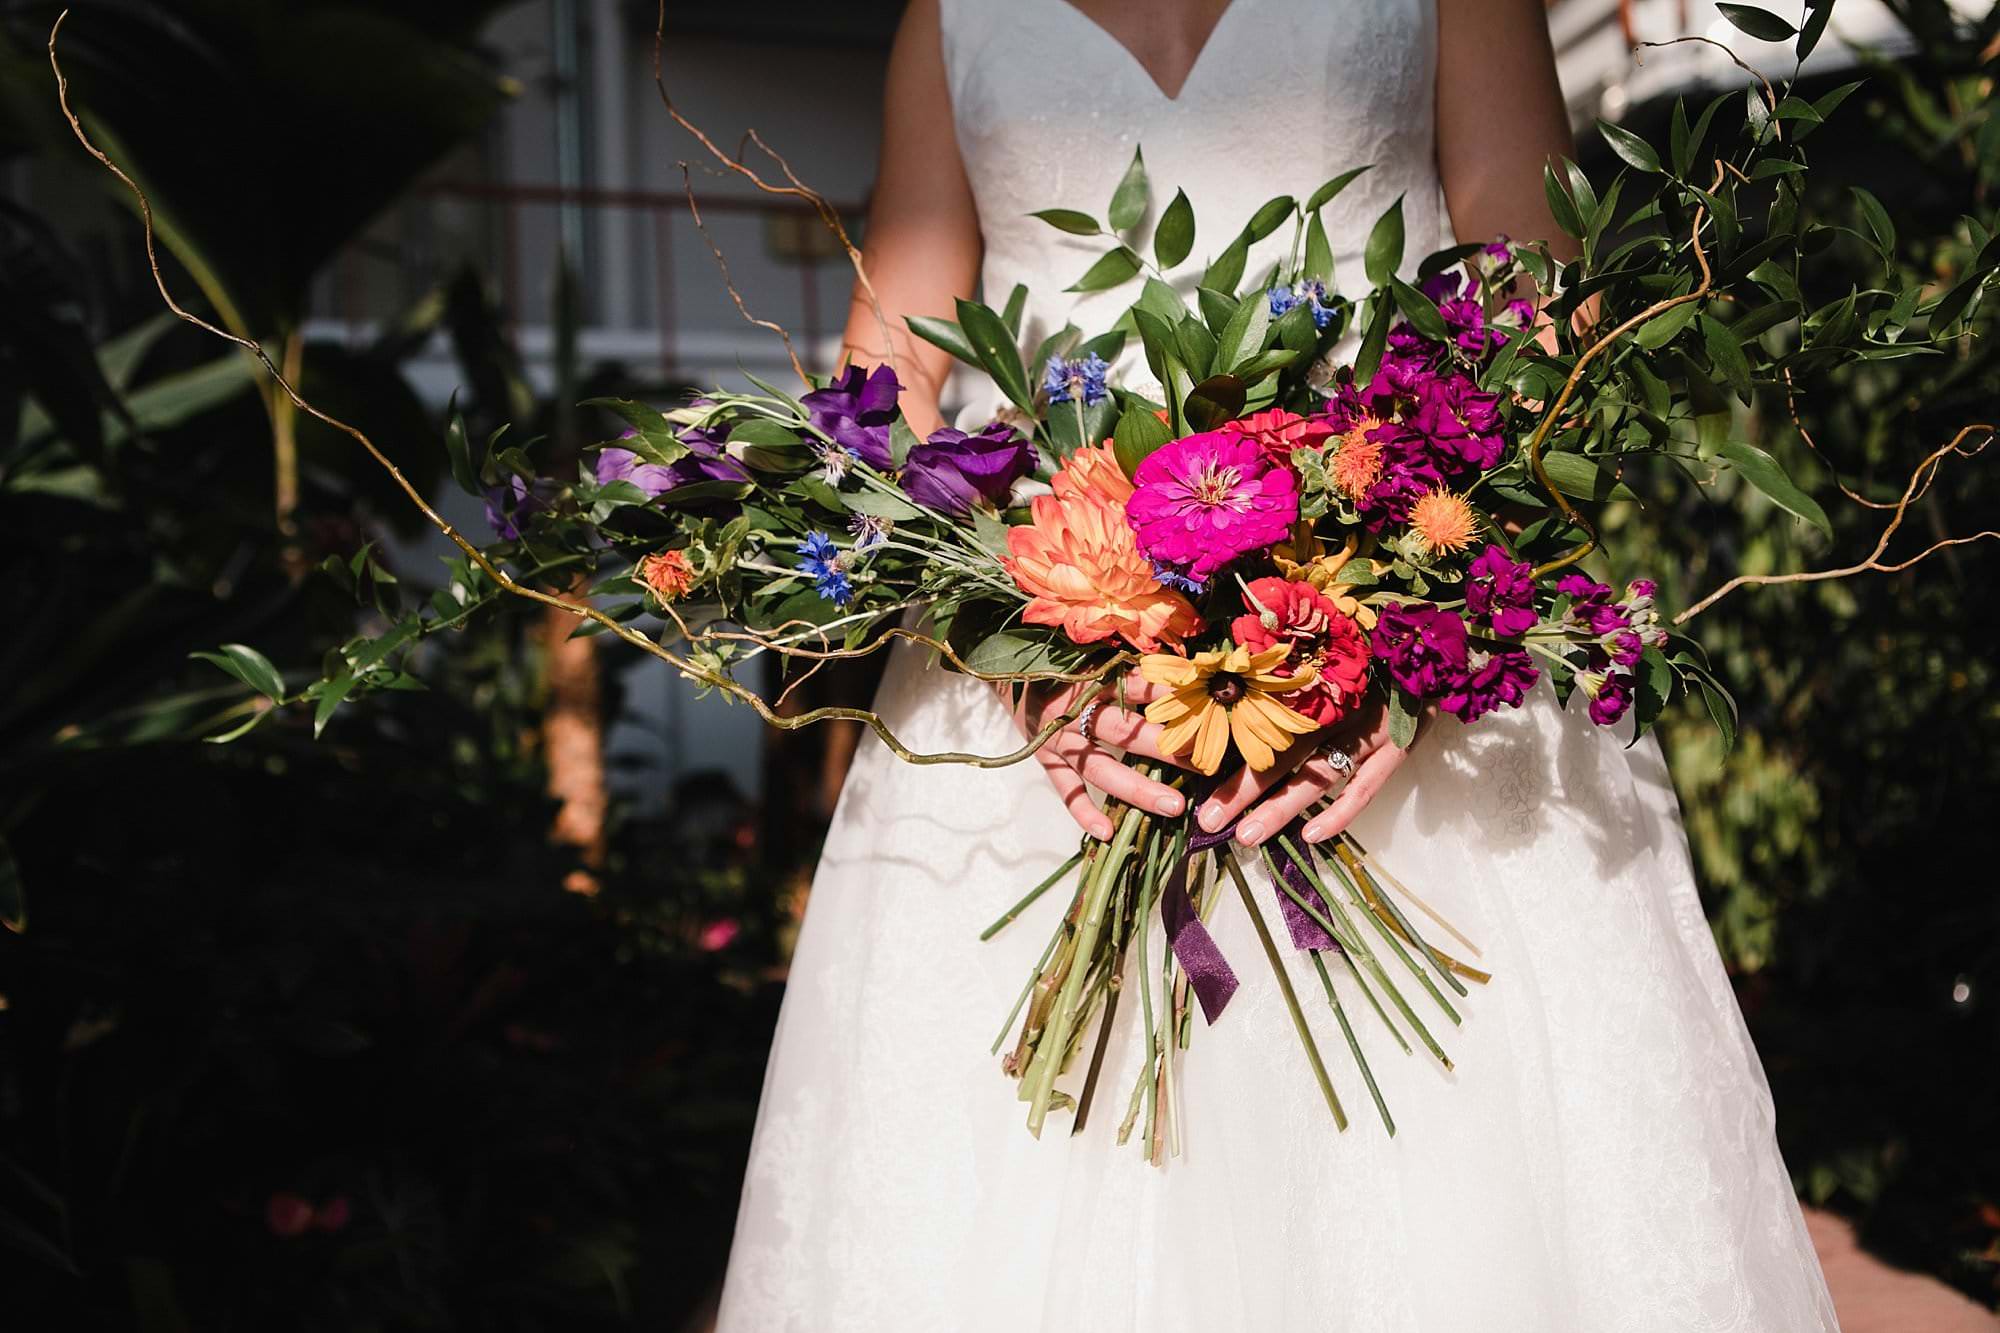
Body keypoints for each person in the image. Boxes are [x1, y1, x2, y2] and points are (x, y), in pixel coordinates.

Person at [715, 1, 1841, 1328]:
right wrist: (1011, 644)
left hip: (1412, 644)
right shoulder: (949, 15)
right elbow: (891, 365)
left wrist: (1416, 643)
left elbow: (1536, 305)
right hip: (1058, 686)